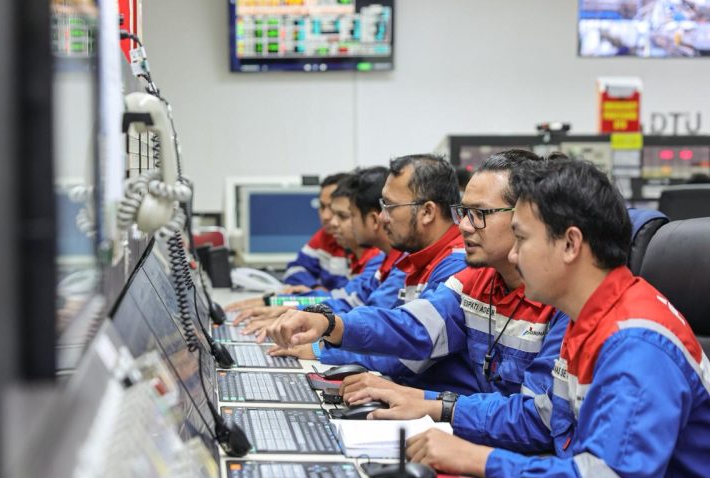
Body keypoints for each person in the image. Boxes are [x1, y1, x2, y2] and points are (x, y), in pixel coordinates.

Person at [397, 159, 710, 478]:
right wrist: (446, 418)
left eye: (523, 239)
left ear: (570, 244)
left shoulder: (636, 344)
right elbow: (541, 419)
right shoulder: (588, 319)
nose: (513, 255)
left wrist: (480, 461)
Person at [264, 150, 568, 400]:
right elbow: (410, 328)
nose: (463, 226)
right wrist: (329, 323)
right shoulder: (474, 281)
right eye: (464, 212)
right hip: (478, 432)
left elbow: (534, 420)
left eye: (479, 214)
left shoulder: (558, 301)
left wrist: (434, 406)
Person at [267, 154, 471, 371]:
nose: (381, 218)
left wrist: (325, 337)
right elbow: (358, 306)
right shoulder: (414, 258)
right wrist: (288, 306)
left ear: (428, 212)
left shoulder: (456, 265)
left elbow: (410, 338)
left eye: (390, 206)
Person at [233, 167, 406, 338]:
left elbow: (370, 325)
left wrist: (318, 347)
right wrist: (283, 307)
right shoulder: (384, 261)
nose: (332, 221)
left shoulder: (386, 262)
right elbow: (343, 301)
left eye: (346, 216)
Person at [283, 172, 352, 289]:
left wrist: (321, 295)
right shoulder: (324, 236)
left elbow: (354, 297)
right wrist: (315, 288)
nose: (325, 216)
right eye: (322, 206)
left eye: (331, 207)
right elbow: (294, 269)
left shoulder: (368, 247)